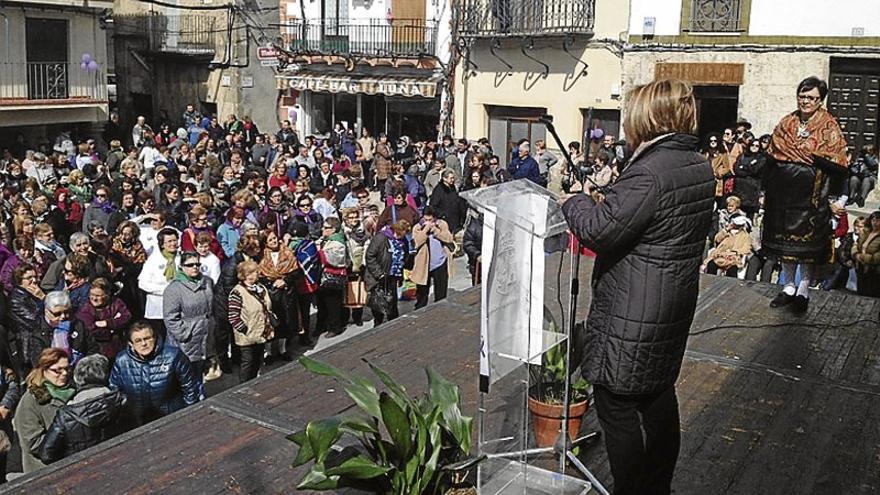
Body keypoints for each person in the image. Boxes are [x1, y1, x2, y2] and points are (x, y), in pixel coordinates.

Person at [561, 79, 714, 495]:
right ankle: (659, 486)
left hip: (634, 313)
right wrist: (613, 196)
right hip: (668, 307)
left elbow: (599, 229)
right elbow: (653, 222)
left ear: (647, 116)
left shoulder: (648, 171)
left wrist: (575, 199)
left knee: (616, 404)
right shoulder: (695, 164)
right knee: (658, 397)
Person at [765, 76, 849, 313]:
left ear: (820, 100)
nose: (806, 101)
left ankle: (803, 290)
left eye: (811, 97)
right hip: (784, 197)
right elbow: (772, 156)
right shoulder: (786, 123)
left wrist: (833, 197)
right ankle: (788, 287)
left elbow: (839, 164)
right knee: (786, 245)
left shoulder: (829, 126)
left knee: (808, 249)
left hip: (813, 197)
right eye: (802, 96)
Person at [38, 354, 126, 464]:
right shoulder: (121, 401)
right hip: (118, 462)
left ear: (77, 379)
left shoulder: (65, 415)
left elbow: (46, 455)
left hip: (82, 469)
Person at [109, 321, 198, 429]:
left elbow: (190, 387)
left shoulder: (174, 356)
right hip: (137, 422)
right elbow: (115, 390)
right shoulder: (121, 361)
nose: (144, 344)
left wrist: (190, 415)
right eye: (138, 341)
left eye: (147, 338)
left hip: (171, 418)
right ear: (131, 344)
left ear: (154, 338)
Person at [13, 348, 73, 473]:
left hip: (70, 462)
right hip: (44, 469)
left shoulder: (73, 390)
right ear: (44, 370)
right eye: (58, 370)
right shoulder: (31, 401)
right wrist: (67, 437)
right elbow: (32, 443)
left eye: (67, 369)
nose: (64, 374)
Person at [163, 251, 216, 388]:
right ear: (181, 267)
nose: (195, 267)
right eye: (190, 265)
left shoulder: (208, 282)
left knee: (200, 371)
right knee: (185, 375)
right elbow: (170, 317)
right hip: (187, 336)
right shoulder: (174, 288)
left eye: (197, 264)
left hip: (205, 333)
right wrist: (184, 334)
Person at [228, 260, 274, 382]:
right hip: (247, 336)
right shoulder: (237, 292)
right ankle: (243, 387)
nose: (254, 275)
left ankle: (254, 383)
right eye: (250, 273)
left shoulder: (261, 289)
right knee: (247, 362)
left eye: (255, 272)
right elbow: (233, 316)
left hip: (262, 332)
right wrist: (246, 330)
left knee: (258, 360)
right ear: (244, 275)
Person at [28, 291, 98, 371]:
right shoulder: (37, 331)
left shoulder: (78, 325)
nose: (63, 317)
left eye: (66, 312)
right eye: (57, 314)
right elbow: (38, 361)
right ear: (47, 312)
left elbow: (93, 349)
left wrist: (82, 367)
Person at [258, 229, 299, 360]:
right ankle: (268, 352)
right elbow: (260, 275)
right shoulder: (262, 256)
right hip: (270, 293)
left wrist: (285, 280)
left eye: (275, 238)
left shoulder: (287, 252)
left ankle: (283, 349)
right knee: (270, 322)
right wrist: (272, 282)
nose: (274, 241)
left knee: (285, 321)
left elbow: (296, 272)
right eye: (270, 239)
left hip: (286, 293)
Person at [364, 220, 411, 326]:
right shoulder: (380, 238)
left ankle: (393, 323)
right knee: (378, 302)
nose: (400, 237)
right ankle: (378, 323)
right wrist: (378, 273)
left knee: (392, 301)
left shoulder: (403, 240)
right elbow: (370, 256)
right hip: (378, 276)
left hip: (392, 275)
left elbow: (405, 256)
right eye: (399, 234)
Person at [75, 278, 132, 363]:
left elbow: (127, 317)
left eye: (98, 296)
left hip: (119, 349)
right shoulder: (85, 309)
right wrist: (112, 331)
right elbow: (92, 330)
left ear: (107, 295)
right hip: (98, 351)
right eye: (92, 295)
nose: (94, 298)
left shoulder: (116, 303)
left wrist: (108, 323)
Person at [138, 227, 180, 337]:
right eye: (169, 241)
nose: (173, 244)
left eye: (175, 240)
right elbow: (142, 283)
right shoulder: (153, 260)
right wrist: (165, 290)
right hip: (157, 309)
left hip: (178, 308)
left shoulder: (182, 258)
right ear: (162, 244)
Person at [8, 263, 45, 378]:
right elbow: (35, 321)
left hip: (40, 343)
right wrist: (42, 300)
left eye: (35, 277)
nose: (34, 281)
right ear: (19, 281)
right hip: (28, 349)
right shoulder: (16, 300)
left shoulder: (35, 293)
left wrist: (42, 297)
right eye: (29, 278)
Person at [316, 218, 347, 338]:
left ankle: (335, 327)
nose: (322, 229)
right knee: (322, 302)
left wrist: (320, 253)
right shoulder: (324, 240)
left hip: (333, 277)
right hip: (322, 276)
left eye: (326, 227)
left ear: (333, 229)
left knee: (333, 303)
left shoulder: (338, 243)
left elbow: (335, 259)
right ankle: (322, 325)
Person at [853, 211, 880, 297]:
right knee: (861, 292)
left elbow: (877, 258)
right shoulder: (865, 232)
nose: (875, 223)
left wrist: (861, 257)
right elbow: (855, 245)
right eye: (873, 220)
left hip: (874, 271)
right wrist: (855, 254)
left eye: (878, 220)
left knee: (872, 294)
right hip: (860, 267)